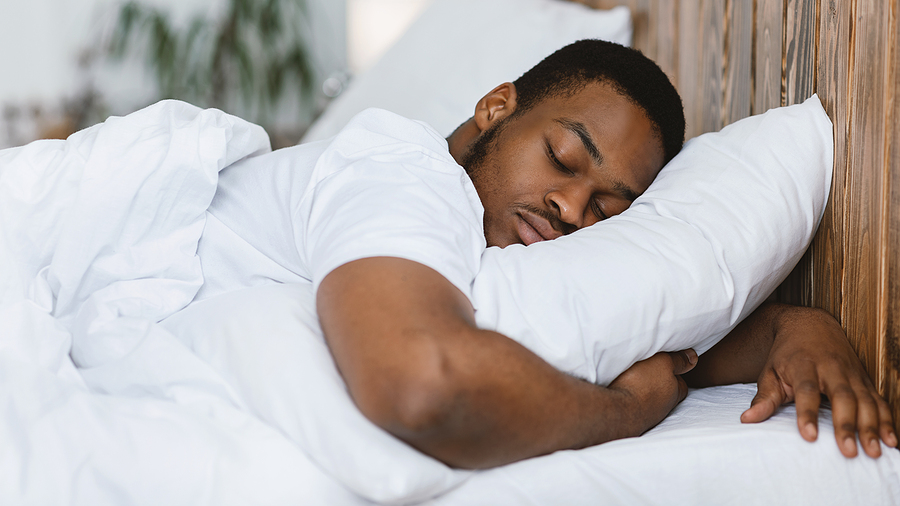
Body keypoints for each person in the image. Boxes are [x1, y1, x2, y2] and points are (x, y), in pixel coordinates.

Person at [202, 39, 896, 470]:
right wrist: (622, 411)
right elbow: (421, 383)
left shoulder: (487, 245)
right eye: (562, 158)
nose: (570, 208)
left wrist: (796, 326)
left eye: (607, 208)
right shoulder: (402, 174)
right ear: (495, 107)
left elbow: (628, 327)